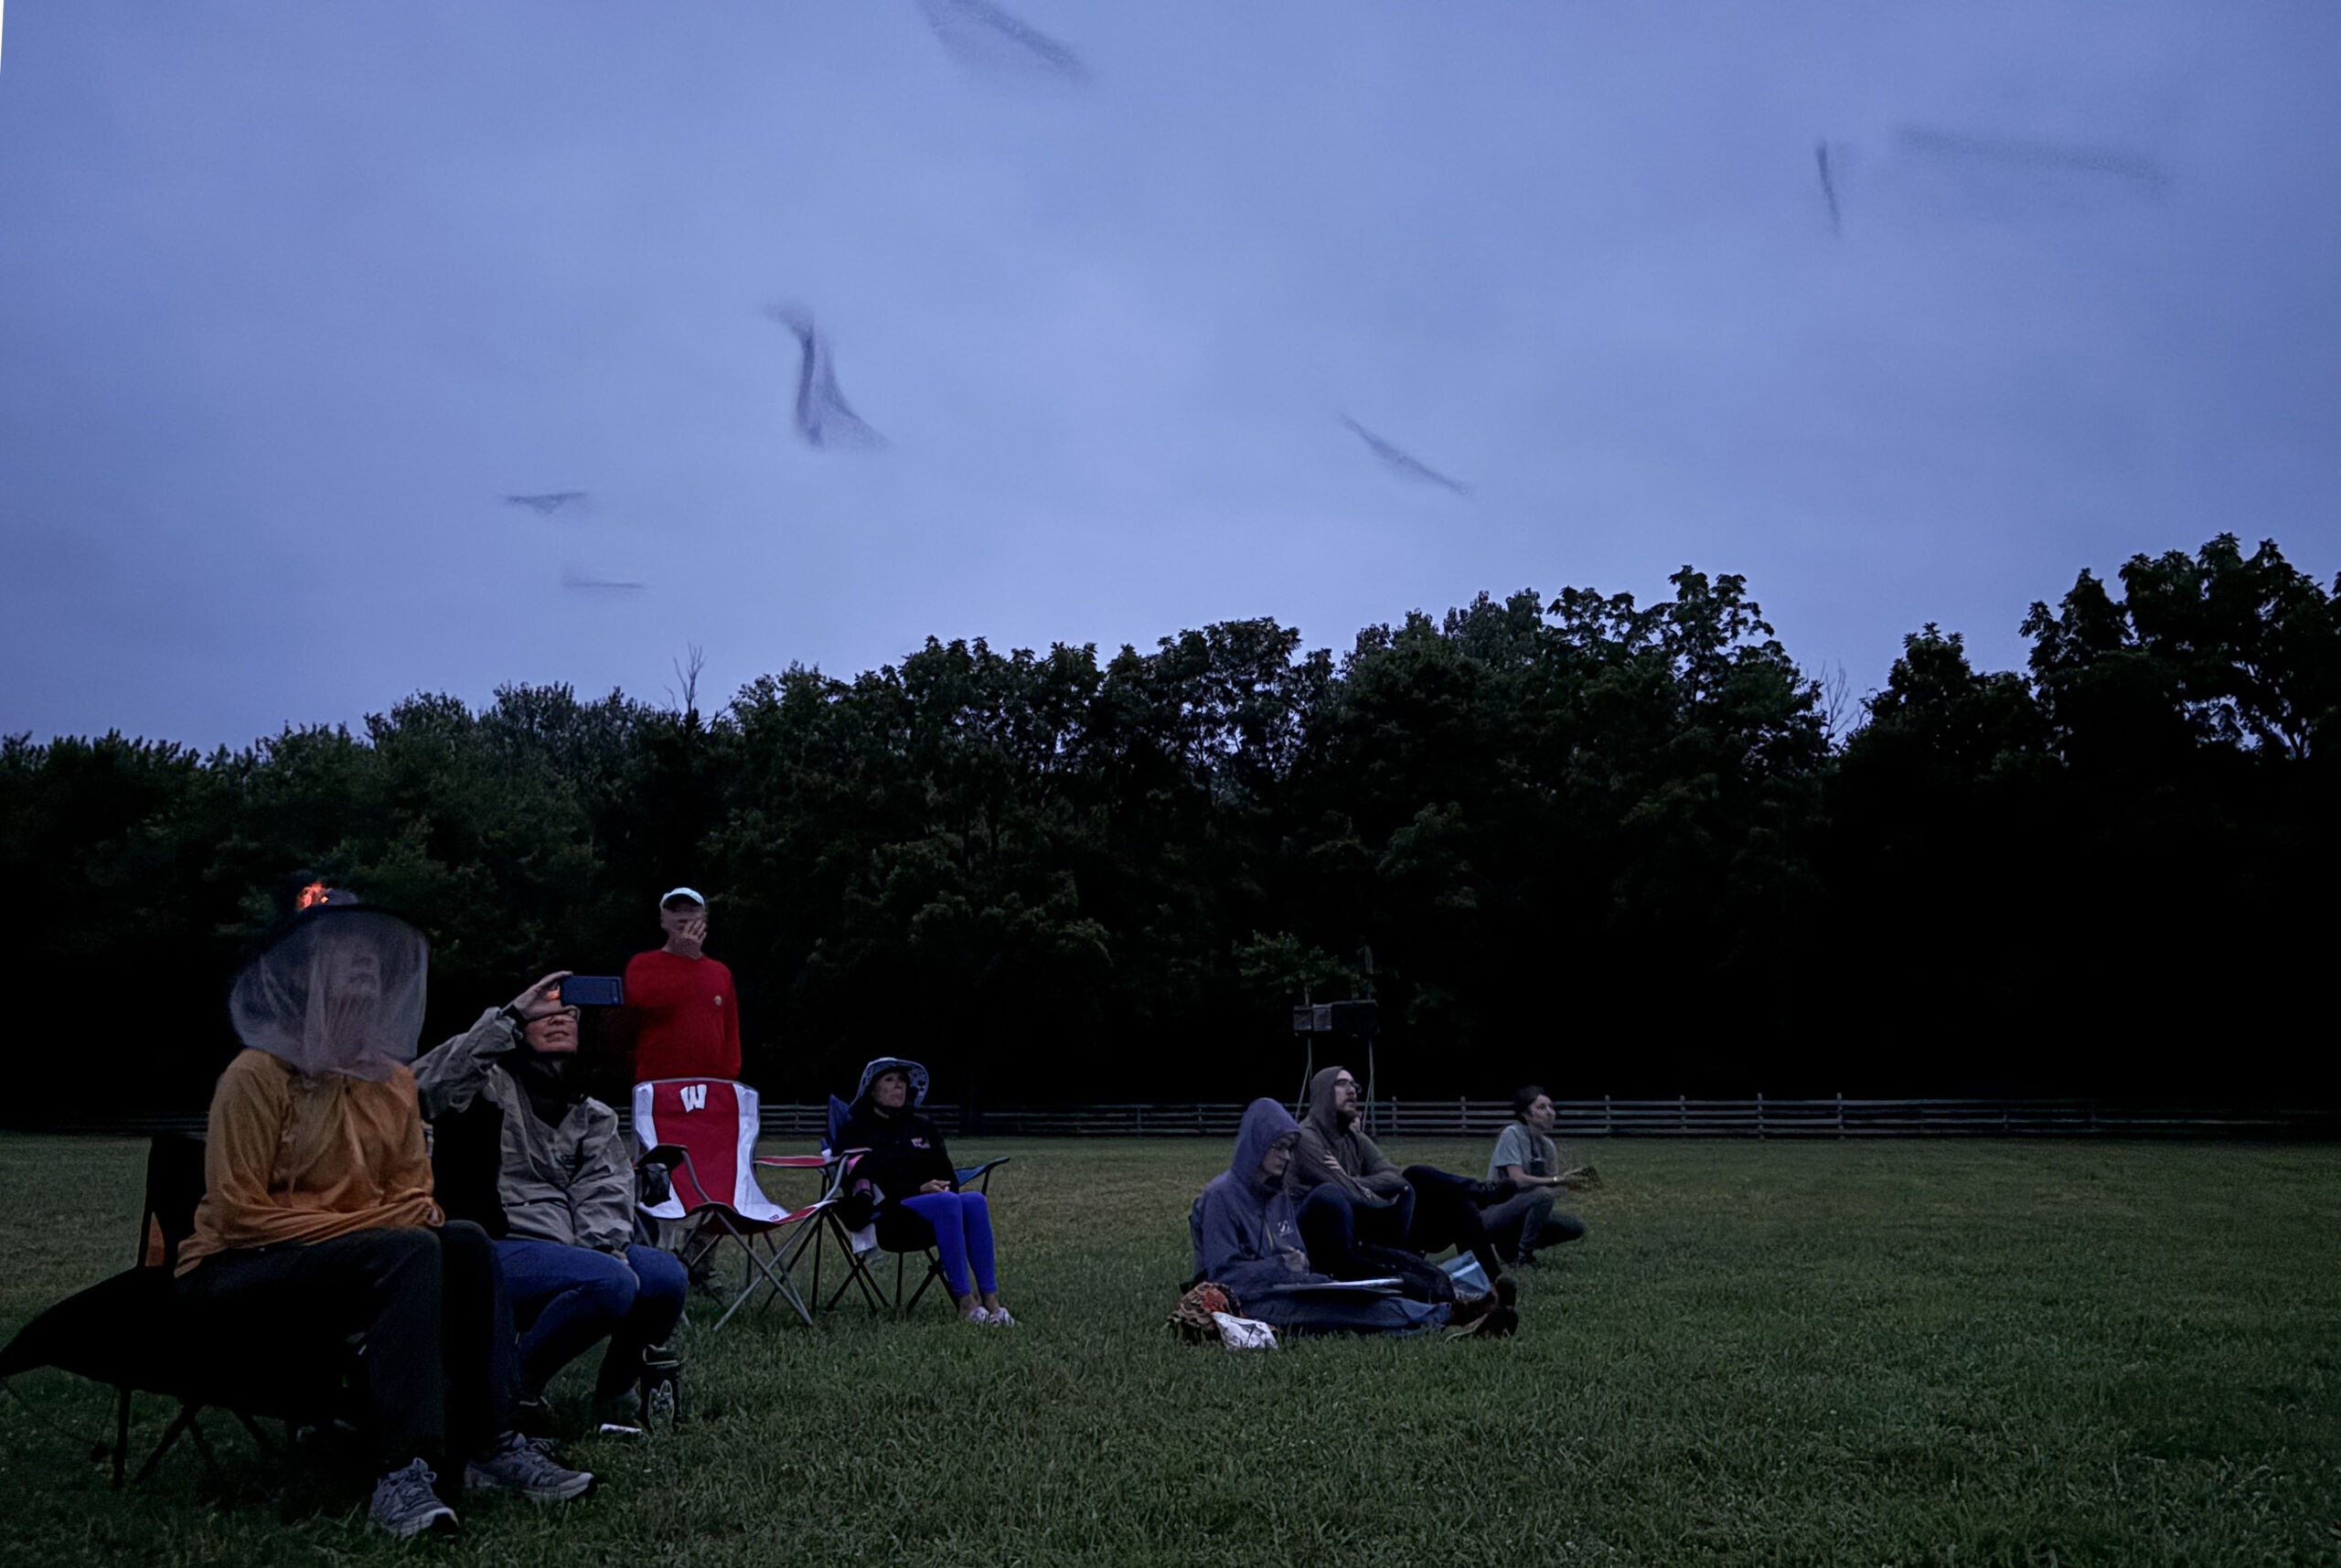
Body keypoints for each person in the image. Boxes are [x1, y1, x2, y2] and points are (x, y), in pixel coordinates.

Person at [175, 893, 593, 1541]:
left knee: (466, 1241)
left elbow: (419, 1201)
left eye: (372, 957)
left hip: (350, 1263)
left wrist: (382, 1226)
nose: (365, 967)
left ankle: (491, 1442)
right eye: (346, 957)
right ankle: (401, 1471)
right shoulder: (257, 1074)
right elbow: (238, 1215)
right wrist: (372, 1227)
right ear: (307, 977)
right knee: (410, 1249)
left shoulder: (393, 1083)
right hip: (233, 1270)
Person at [414, 974, 688, 1429]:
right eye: (543, 1012)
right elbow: (419, 1088)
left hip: (570, 1248)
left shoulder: (592, 1115)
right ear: (520, 1026)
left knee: (664, 1277)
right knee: (610, 1283)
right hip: (492, 1244)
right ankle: (511, 1392)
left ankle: (613, 1394)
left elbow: (605, 1191)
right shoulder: (481, 1088)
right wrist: (506, 1019)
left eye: (569, 1013)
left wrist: (603, 1254)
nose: (558, 1019)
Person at [1188, 1097, 1459, 1335]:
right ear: (1256, 1144)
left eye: (1290, 1149)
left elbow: (1294, 1254)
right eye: (1279, 1147)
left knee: (1350, 1294)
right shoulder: (1221, 1196)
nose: (1286, 1156)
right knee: (1335, 1311)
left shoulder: (1277, 1196)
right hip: (1248, 1301)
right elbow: (1224, 1276)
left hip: (1287, 1286)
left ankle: (1445, 1310)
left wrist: (1311, 1275)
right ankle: (1444, 1317)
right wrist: (1283, 1265)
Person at [1284, 1065, 1513, 1300]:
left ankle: (1492, 1281)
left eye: (1354, 1085)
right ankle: (1478, 1194)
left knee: (1441, 1191)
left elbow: (1394, 1178)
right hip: (1326, 1241)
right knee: (1335, 1193)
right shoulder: (1307, 1138)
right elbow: (1344, 1193)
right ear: (1322, 1092)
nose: (1352, 1090)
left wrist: (1352, 1180)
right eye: (1341, 1084)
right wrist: (1364, 1189)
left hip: (1365, 1226)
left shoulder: (1354, 1138)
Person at [832, 1058, 1013, 1326]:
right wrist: (917, 1189)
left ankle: (992, 1302)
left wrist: (942, 1186)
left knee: (974, 1200)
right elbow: (863, 1176)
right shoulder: (857, 1130)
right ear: (872, 1089)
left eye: (902, 1080)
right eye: (889, 1080)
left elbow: (946, 1169)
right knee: (947, 1202)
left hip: (936, 1211)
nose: (899, 1086)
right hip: (890, 1217)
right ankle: (965, 1303)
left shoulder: (922, 1126)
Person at [623, 888, 741, 1083]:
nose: (684, 917)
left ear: (704, 919)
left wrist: (729, 1076)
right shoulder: (642, 964)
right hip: (658, 1085)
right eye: (676, 911)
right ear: (663, 920)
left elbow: (731, 1032)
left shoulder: (720, 972)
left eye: (691, 910)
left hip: (712, 1087)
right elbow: (643, 1003)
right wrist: (685, 959)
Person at [1482, 1085, 1589, 1266]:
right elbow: (1516, 1179)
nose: (1550, 1113)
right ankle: (1524, 1256)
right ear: (1526, 1114)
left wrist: (1569, 1182)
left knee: (1572, 1227)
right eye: (1541, 1107)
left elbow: (1549, 1187)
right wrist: (1556, 1180)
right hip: (1494, 1212)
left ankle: (1510, 1246)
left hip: (1522, 1210)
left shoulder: (1547, 1145)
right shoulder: (1512, 1134)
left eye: (1551, 1107)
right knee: (1542, 1195)